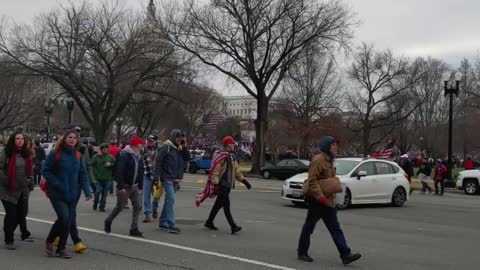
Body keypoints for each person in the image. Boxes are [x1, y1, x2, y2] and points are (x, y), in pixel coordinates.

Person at [297, 136, 361, 265]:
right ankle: (302, 252)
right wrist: (320, 197)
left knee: (335, 228)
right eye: (333, 145)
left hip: (328, 201)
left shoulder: (330, 160)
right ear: (326, 147)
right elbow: (312, 181)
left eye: (336, 145)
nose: (336, 147)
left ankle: (345, 255)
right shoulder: (318, 160)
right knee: (309, 227)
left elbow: (328, 181)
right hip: (317, 201)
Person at [42, 130, 92, 258]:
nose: (72, 139)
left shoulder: (78, 155)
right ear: (64, 139)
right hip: (57, 193)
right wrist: (57, 183)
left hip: (73, 193)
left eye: (74, 138)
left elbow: (83, 175)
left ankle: (61, 248)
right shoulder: (55, 154)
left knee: (67, 220)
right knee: (64, 217)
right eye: (69, 137)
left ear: (77, 140)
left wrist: (87, 191)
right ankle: (50, 240)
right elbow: (46, 170)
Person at [204, 136, 251, 234]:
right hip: (222, 185)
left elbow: (237, 171)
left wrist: (244, 181)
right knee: (226, 206)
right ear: (228, 145)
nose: (234, 145)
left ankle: (209, 222)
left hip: (228, 186)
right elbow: (215, 172)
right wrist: (216, 185)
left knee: (217, 205)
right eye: (232, 143)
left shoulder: (232, 156)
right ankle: (233, 226)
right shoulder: (221, 156)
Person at [0, 132, 35, 250]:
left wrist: (30, 178)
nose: (20, 140)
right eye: (17, 138)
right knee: (12, 215)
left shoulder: (26, 153)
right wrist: (8, 181)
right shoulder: (6, 152)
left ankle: (10, 231)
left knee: (21, 215)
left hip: (23, 189)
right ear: (12, 140)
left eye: (22, 139)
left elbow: (30, 170)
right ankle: (9, 239)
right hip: (7, 189)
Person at [104, 137, 144, 237]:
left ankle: (134, 228)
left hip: (134, 186)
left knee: (137, 206)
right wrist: (121, 186)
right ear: (135, 145)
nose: (142, 146)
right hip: (125, 186)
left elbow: (140, 171)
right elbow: (119, 171)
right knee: (120, 207)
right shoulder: (124, 155)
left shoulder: (138, 156)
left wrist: (140, 185)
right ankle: (108, 220)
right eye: (140, 144)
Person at [153, 130, 188, 234]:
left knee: (169, 200)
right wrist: (156, 176)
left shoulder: (180, 148)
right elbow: (158, 161)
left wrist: (184, 146)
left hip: (176, 178)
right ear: (173, 137)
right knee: (171, 200)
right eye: (177, 137)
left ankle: (163, 222)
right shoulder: (166, 147)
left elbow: (187, 158)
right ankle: (171, 224)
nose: (179, 138)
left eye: (181, 137)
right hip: (167, 177)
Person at [91, 144, 115, 212]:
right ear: (101, 149)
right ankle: (95, 203)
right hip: (97, 178)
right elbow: (91, 165)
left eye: (107, 149)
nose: (106, 150)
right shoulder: (96, 156)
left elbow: (116, 164)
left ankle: (102, 207)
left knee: (104, 194)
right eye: (104, 149)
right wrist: (94, 173)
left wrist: (110, 164)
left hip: (107, 178)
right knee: (97, 191)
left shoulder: (110, 157)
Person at [142, 135, 158, 223]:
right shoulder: (143, 149)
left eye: (152, 141)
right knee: (146, 196)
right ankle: (147, 214)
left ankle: (155, 208)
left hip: (156, 176)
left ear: (155, 141)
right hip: (147, 175)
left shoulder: (159, 150)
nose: (150, 142)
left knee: (156, 195)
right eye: (149, 141)